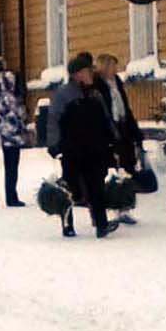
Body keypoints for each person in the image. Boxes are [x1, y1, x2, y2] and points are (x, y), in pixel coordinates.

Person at [46, 53, 118, 239]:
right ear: (77, 74)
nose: (91, 74)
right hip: (72, 149)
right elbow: (53, 120)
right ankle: (68, 224)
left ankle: (101, 225)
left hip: (95, 148)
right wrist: (54, 144)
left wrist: (114, 137)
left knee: (96, 185)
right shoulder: (64, 95)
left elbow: (106, 118)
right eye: (88, 71)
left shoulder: (95, 93)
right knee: (71, 188)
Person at [91, 53, 144, 225]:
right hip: (108, 129)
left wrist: (135, 131)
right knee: (109, 169)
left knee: (127, 167)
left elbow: (125, 108)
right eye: (113, 66)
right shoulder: (98, 85)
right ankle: (104, 207)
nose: (115, 69)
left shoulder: (117, 83)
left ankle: (124, 206)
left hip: (122, 127)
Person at [0, 71, 30, 207]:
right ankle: (11, 197)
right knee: (12, 169)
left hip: (7, 137)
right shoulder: (10, 98)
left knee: (10, 169)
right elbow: (18, 114)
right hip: (12, 137)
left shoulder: (4, 96)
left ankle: (11, 195)